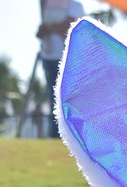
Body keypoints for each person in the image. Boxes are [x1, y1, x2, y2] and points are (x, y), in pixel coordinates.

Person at [37, 0, 84, 137]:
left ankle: (74, 136)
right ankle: (56, 135)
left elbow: (68, 27)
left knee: (70, 100)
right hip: (49, 59)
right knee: (54, 101)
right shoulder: (48, 7)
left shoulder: (75, 6)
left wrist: (50, 28)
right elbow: (42, 30)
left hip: (69, 59)